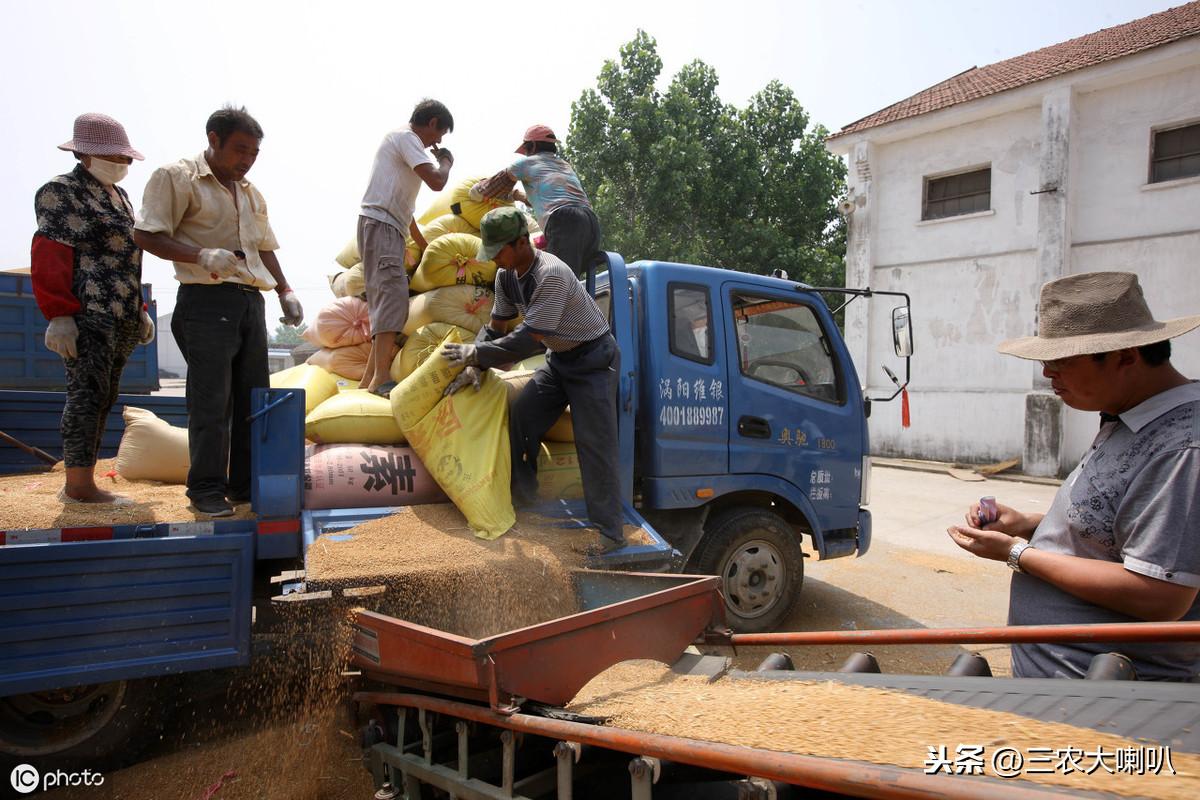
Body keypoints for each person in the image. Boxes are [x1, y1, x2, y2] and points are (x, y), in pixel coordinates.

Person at [948, 271, 1200, 680]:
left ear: (1125, 356)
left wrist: (1017, 553)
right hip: (1069, 681)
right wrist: (1030, 525)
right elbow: (1111, 531)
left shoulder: (1182, 448)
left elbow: (1162, 594)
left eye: (1061, 361)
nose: (1049, 374)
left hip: (1108, 701)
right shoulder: (1129, 416)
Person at [133, 106, 304, 517]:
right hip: (206, 301)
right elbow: (145, 234)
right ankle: (206, 489)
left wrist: (285, 290)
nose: (246, 160)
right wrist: (200, 254)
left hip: (249, 300)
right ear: (213, 139)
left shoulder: (250, 192)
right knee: (212, 402)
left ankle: (243, 486)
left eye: (254, 153)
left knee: (252, 400)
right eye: (240, 150)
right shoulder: (176, 177)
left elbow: (264, 246)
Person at [442, 207, 624, 553]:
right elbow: (497, 328)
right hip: (560, 361)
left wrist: (475, 355)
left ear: (522, 242)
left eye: (499, 251)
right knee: (522, 415)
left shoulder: (551, 273)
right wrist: (474, 366)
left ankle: (610, 533)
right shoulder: (506, 276)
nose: (494, 259)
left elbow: (528, 340)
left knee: (595, 443)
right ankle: (525, 503)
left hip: (594, 361)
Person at [31, 113, 154, 504]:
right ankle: (79, 486)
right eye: (113, 157)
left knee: (105, 395)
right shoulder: (61, 192)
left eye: (126, 159)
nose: (122, 165)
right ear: (84, 154)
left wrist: (141, 309)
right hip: (88, 312)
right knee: (86, 393)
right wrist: (59, 313)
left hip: (121, 313)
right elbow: (49, 253)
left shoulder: (119, 197)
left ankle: (85, 479)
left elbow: (129, 258)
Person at [357, 99, 455, 394]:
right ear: (433, 122)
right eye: (440, 134)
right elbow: (437, 182)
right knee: (393, 298)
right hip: (382, 226)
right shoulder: (408, 138)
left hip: (385, 226)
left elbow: (404, 207)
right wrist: (447, 161)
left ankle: (369, 380)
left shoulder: (401, 143)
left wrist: (424, 244)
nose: (436, 142)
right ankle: (382, 378)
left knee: (384, 302)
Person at [470, 125, 601, 281]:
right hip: (590, 222)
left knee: (558, 283)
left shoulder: (525, 164)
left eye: (526, 149)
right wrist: (516, 196)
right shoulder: (564, 166)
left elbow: (490, 188)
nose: (525, 154)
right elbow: (542, 198)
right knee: (571, 280)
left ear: (531, 146)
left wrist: (476, 189)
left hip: (564, 222)